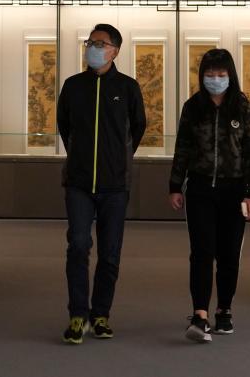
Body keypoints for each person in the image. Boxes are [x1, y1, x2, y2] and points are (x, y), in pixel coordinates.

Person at [57, 23, 146, 344]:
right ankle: (78, 315)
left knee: (110, 253)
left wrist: (117, 159)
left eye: (100, 43)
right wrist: (81, 156)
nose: (93, 48)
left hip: (115, 186)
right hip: (79, 183)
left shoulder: (128, 87)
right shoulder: (73, 86)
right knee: (78, 245)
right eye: (90, 42)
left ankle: (101, 315)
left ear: (115, 51)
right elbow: (64, 126)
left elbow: (138, 127)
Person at [169, 48, 250, 343]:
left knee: (228, 254)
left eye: (221, 74)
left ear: (230, 75)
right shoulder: (193, 107)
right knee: (201, 252)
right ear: (202, 76)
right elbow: (183, 148)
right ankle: (200, 314)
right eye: (210, 74)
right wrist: (175, 185)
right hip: (200, 189)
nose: (216, 79)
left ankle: (224, 309)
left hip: (234, 191)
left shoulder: (242, 107)